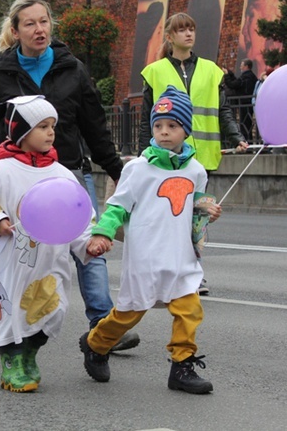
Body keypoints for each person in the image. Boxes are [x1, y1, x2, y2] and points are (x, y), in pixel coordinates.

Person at [0, 0, 138, 350]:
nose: (39, 29)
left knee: (88, 245)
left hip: (68, 173)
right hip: (20, 180)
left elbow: (95, 126)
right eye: (30, 23)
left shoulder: (73, 69)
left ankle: (102, 326)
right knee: (15, 255)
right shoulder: (2, 75)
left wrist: (117, 170)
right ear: (16, 30)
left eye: (44, 21)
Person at [81, 86, 221, 395]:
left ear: (185, 129)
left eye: (172, 126)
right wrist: (102, 232)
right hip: (146, 257)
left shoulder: (196, 170)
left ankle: (181, 366)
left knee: (189, 309)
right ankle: (96, 343)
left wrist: (206, 210)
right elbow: (118, 205)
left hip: (182, 256)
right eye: (158, 125)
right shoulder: (138, 168)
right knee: (130, 314)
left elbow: (193, 209)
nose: (164, 132)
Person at [0, 96, 93, 393]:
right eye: (42, 126)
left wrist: (89, 243)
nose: (51, 132)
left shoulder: (62, 174)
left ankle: (30, 352)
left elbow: (77, 213)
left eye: (52, 126)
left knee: (53, 309)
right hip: (13, 259)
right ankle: (12, 362)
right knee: (12, 311)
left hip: (52, 260)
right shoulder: (0, 171)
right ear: (21, 131)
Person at [140, 12, 247, 296]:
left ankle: (194, 275)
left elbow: (223, 110)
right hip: (165, 156)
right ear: (171, 36)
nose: (188, 34)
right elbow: (145, 118)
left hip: (200, 159)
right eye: (182, 30)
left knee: (197, 217)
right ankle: (165, 270)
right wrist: (143, 154)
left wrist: (237, 137)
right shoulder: (155, 71)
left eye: (191, 29)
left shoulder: (212, 71)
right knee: (169, 216)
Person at [222, 59, 257, 141]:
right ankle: (249, 141)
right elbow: (237, 82)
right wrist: (230, 74)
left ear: (246, 66)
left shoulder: (246, 77)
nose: (240, 67)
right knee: (246, 124)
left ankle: (247, 142)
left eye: (242, 65)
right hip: (247, 102)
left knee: (245, 124)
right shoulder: (251, 76)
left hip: (244, 103)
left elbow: (233, 84)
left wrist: (227, 75)